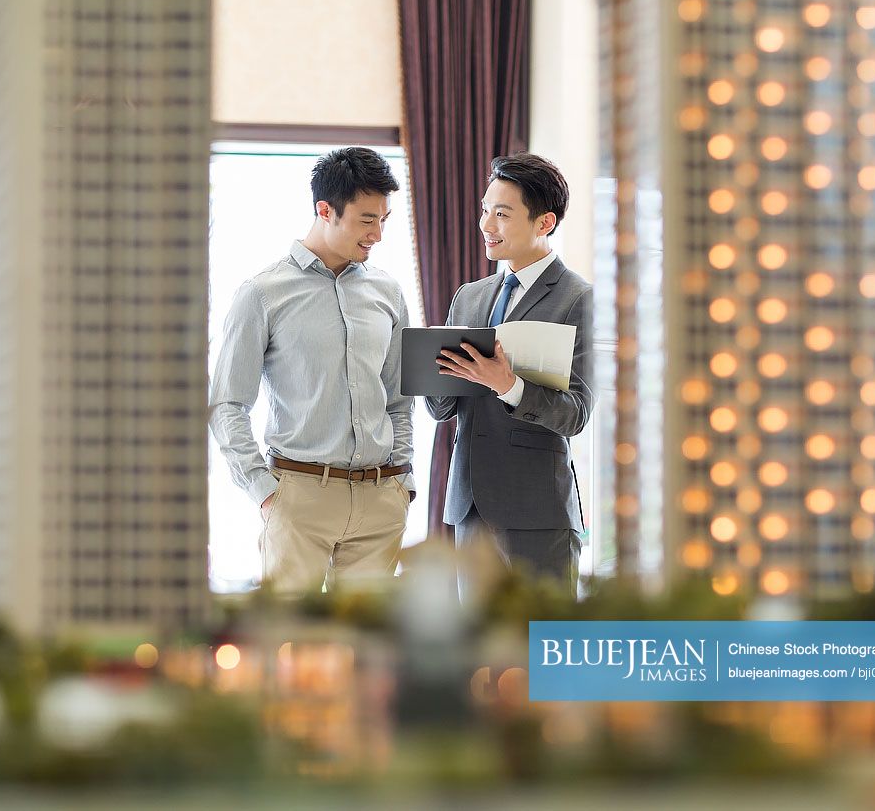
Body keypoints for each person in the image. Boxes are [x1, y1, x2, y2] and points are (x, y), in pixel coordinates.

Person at [210, 147, 415, 593]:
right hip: (298, 498)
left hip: (381, 500)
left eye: (384, 219)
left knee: (370, 649)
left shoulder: (388, 292)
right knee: (288, 646)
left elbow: (399, 397)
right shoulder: (262, 294)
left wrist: (403, 478)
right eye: (366, 220)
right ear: (325, 210)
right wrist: (264, 492)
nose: (378, 234)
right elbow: (228, 403)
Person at [426, 152, 594, 595]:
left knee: (540, 653)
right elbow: (443, 408)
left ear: (544, 223)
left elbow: (576, 414)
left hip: (537, 513)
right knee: (480, 658)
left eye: (501, 214)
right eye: (485, 209)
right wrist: (434, 371)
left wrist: (510, 386)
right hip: (470, 508)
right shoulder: (469, 295)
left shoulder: (579, 298)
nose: (486, 225)